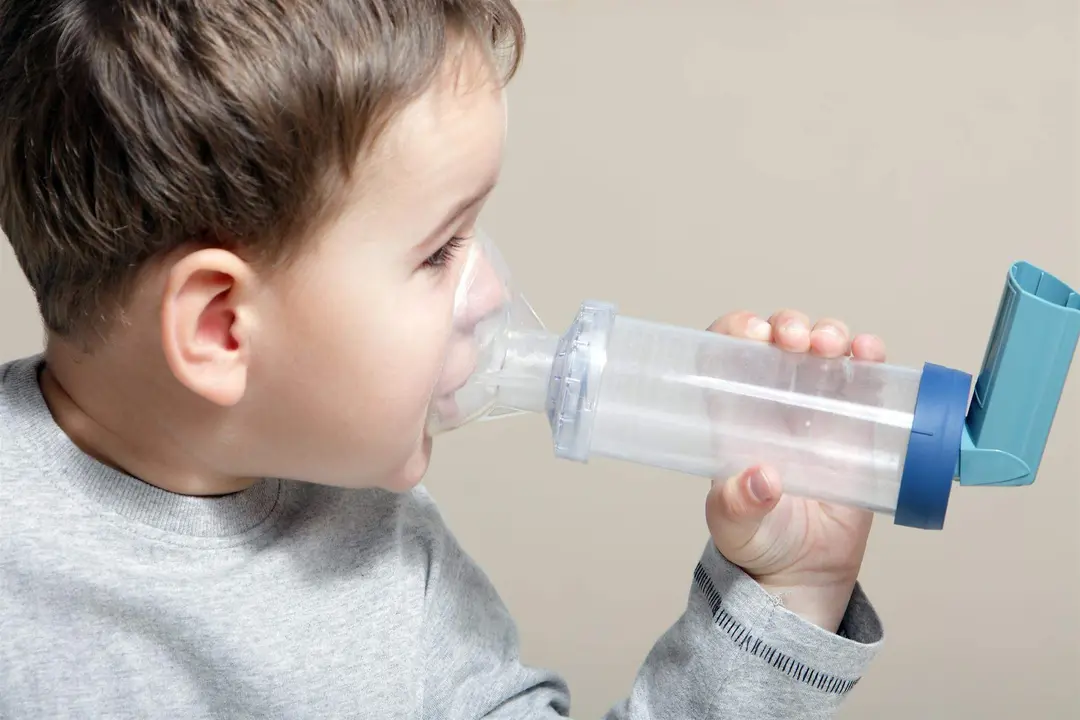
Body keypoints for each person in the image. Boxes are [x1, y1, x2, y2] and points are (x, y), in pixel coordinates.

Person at [0, 1, 886, 718]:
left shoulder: (391, 570)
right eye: (437, 252)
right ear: (222, 329)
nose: (491, 292)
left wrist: (785, 597)